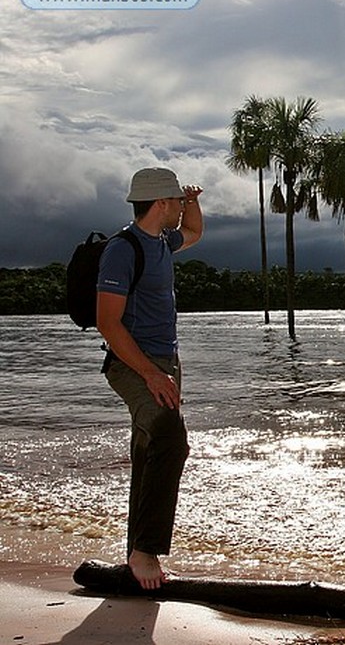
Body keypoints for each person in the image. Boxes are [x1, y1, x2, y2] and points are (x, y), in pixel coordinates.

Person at [96, 167, 204, 590]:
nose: (180, 206)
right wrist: (151, 374)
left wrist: (193, 201)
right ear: (160, 203)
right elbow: (108, 323)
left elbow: (194, 232)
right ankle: (146, 552)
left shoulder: (163, 241)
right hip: (133, 364)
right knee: (170, 441)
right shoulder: (123, 250)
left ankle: (134, 556)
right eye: (176, 200)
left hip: (163, 364)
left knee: (148, 450)